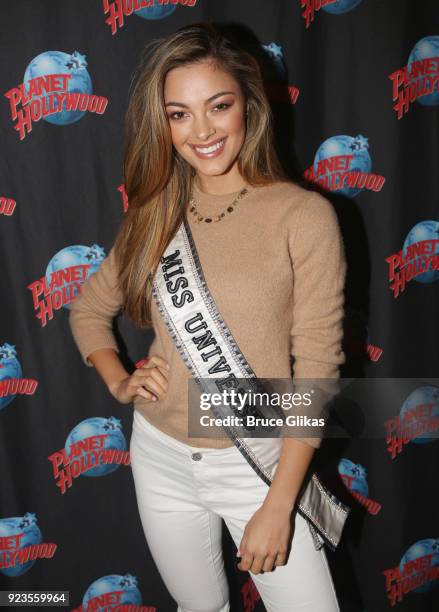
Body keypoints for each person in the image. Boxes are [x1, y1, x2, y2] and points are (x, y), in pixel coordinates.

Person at [69, 22, 347, 612]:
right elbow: (90, 311)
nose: (201, 131)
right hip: (160, 457)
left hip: (260, 463)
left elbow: (317, 374)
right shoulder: (155, 211)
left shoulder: (304, 215)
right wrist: (119, 378)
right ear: (163, 123)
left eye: (217, 106)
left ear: (248, 103)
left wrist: (279, 503)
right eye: (179, 114)